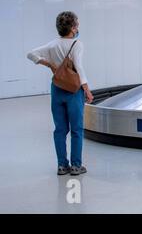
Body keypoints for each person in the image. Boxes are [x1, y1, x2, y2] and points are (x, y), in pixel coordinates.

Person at [27, 11, 94, 176]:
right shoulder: (77, 44)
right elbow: (78, 67)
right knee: (77, 129)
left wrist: (49, 64)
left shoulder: (52, 45)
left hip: (57, 89)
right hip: (74, 91)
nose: (78, 27)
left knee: (60, 129)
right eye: (77, 24)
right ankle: (76, 165)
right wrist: (86, 89)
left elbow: (31, 54)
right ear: (72, 28)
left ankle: (62, 166)